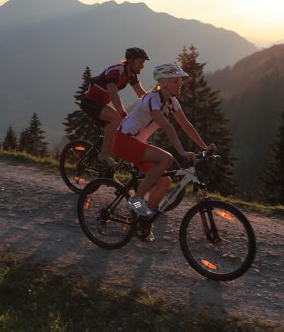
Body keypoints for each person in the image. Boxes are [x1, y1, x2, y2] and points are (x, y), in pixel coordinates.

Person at [113, 63, 217, 219]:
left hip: (136, 144)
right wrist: (182, 151)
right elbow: (167, 127)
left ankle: (144, 220)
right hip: (124, 141)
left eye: (180, 80)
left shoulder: (171, 101)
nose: (180, 84)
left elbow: (186, 126)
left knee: (165, 182)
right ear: (163, 83)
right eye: (176, 81)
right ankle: (136, 200)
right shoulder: (151, 99)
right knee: (166, 158)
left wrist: (204, 147)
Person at [81, 47, 149, 167]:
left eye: (143, 63)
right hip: (90, 101)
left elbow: (141, 94)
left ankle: (108, 167)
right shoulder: (115, 71)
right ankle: (103, 158)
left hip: (101, 103)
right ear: (130, 61)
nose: (142, 66)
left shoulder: (131, 75)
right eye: (140, 62)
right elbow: (113, 94)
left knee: (118, 129)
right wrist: (123, 114)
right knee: (117, 118)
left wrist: (155, 102)